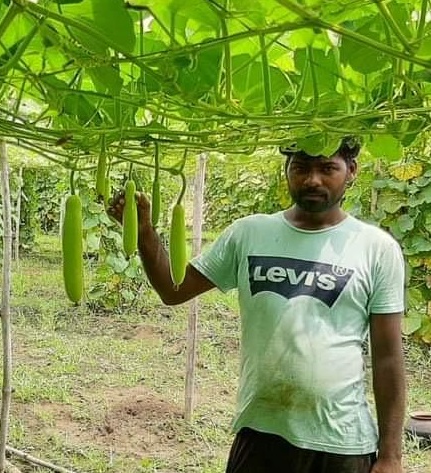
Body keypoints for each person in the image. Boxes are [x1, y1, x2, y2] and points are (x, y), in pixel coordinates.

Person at [109, 137, 407, 473]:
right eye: (301, 168)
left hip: (341, 443)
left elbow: (388, 358)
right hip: (260, 431)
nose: (312, 179)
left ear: (351, 171)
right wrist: (144, 230)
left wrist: (391, 456)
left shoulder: (376, 248)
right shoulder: (248, 233)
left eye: (327, 168)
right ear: (286, 170)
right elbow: (173, 289)